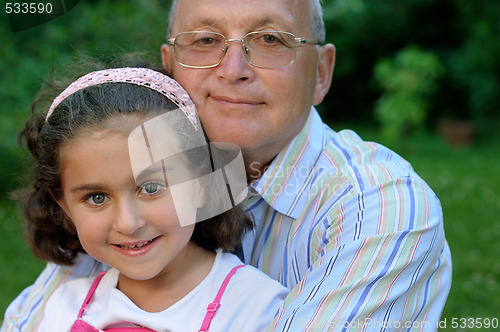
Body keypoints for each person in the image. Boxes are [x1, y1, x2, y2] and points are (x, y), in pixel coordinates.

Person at [2, 0, 452, 331]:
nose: (233, 68)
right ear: (169, 69)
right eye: (205, 41)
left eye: (270, 40)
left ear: (321, 72)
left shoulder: (378, 208)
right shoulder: (130, 175)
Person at [14, 66, 288, 331]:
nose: (127, 223)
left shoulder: (258, 309)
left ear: (201, 182)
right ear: (65, 208)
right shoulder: (62, 309)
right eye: (97, 198)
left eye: (151, 188)